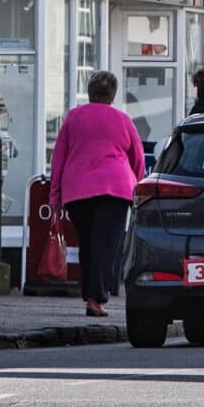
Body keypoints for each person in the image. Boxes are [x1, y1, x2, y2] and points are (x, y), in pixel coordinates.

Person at [48, 69, 144, 317]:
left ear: (90, 93)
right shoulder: (123, 120)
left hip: (78, 191)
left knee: (88, 243)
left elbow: (58, 159)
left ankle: (91, 295)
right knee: (106, 244)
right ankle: (96, 298)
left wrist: (55, 197)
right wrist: (139, 190)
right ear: (113, 95)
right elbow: (138, 159)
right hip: (115, 188)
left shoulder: (73, 117)